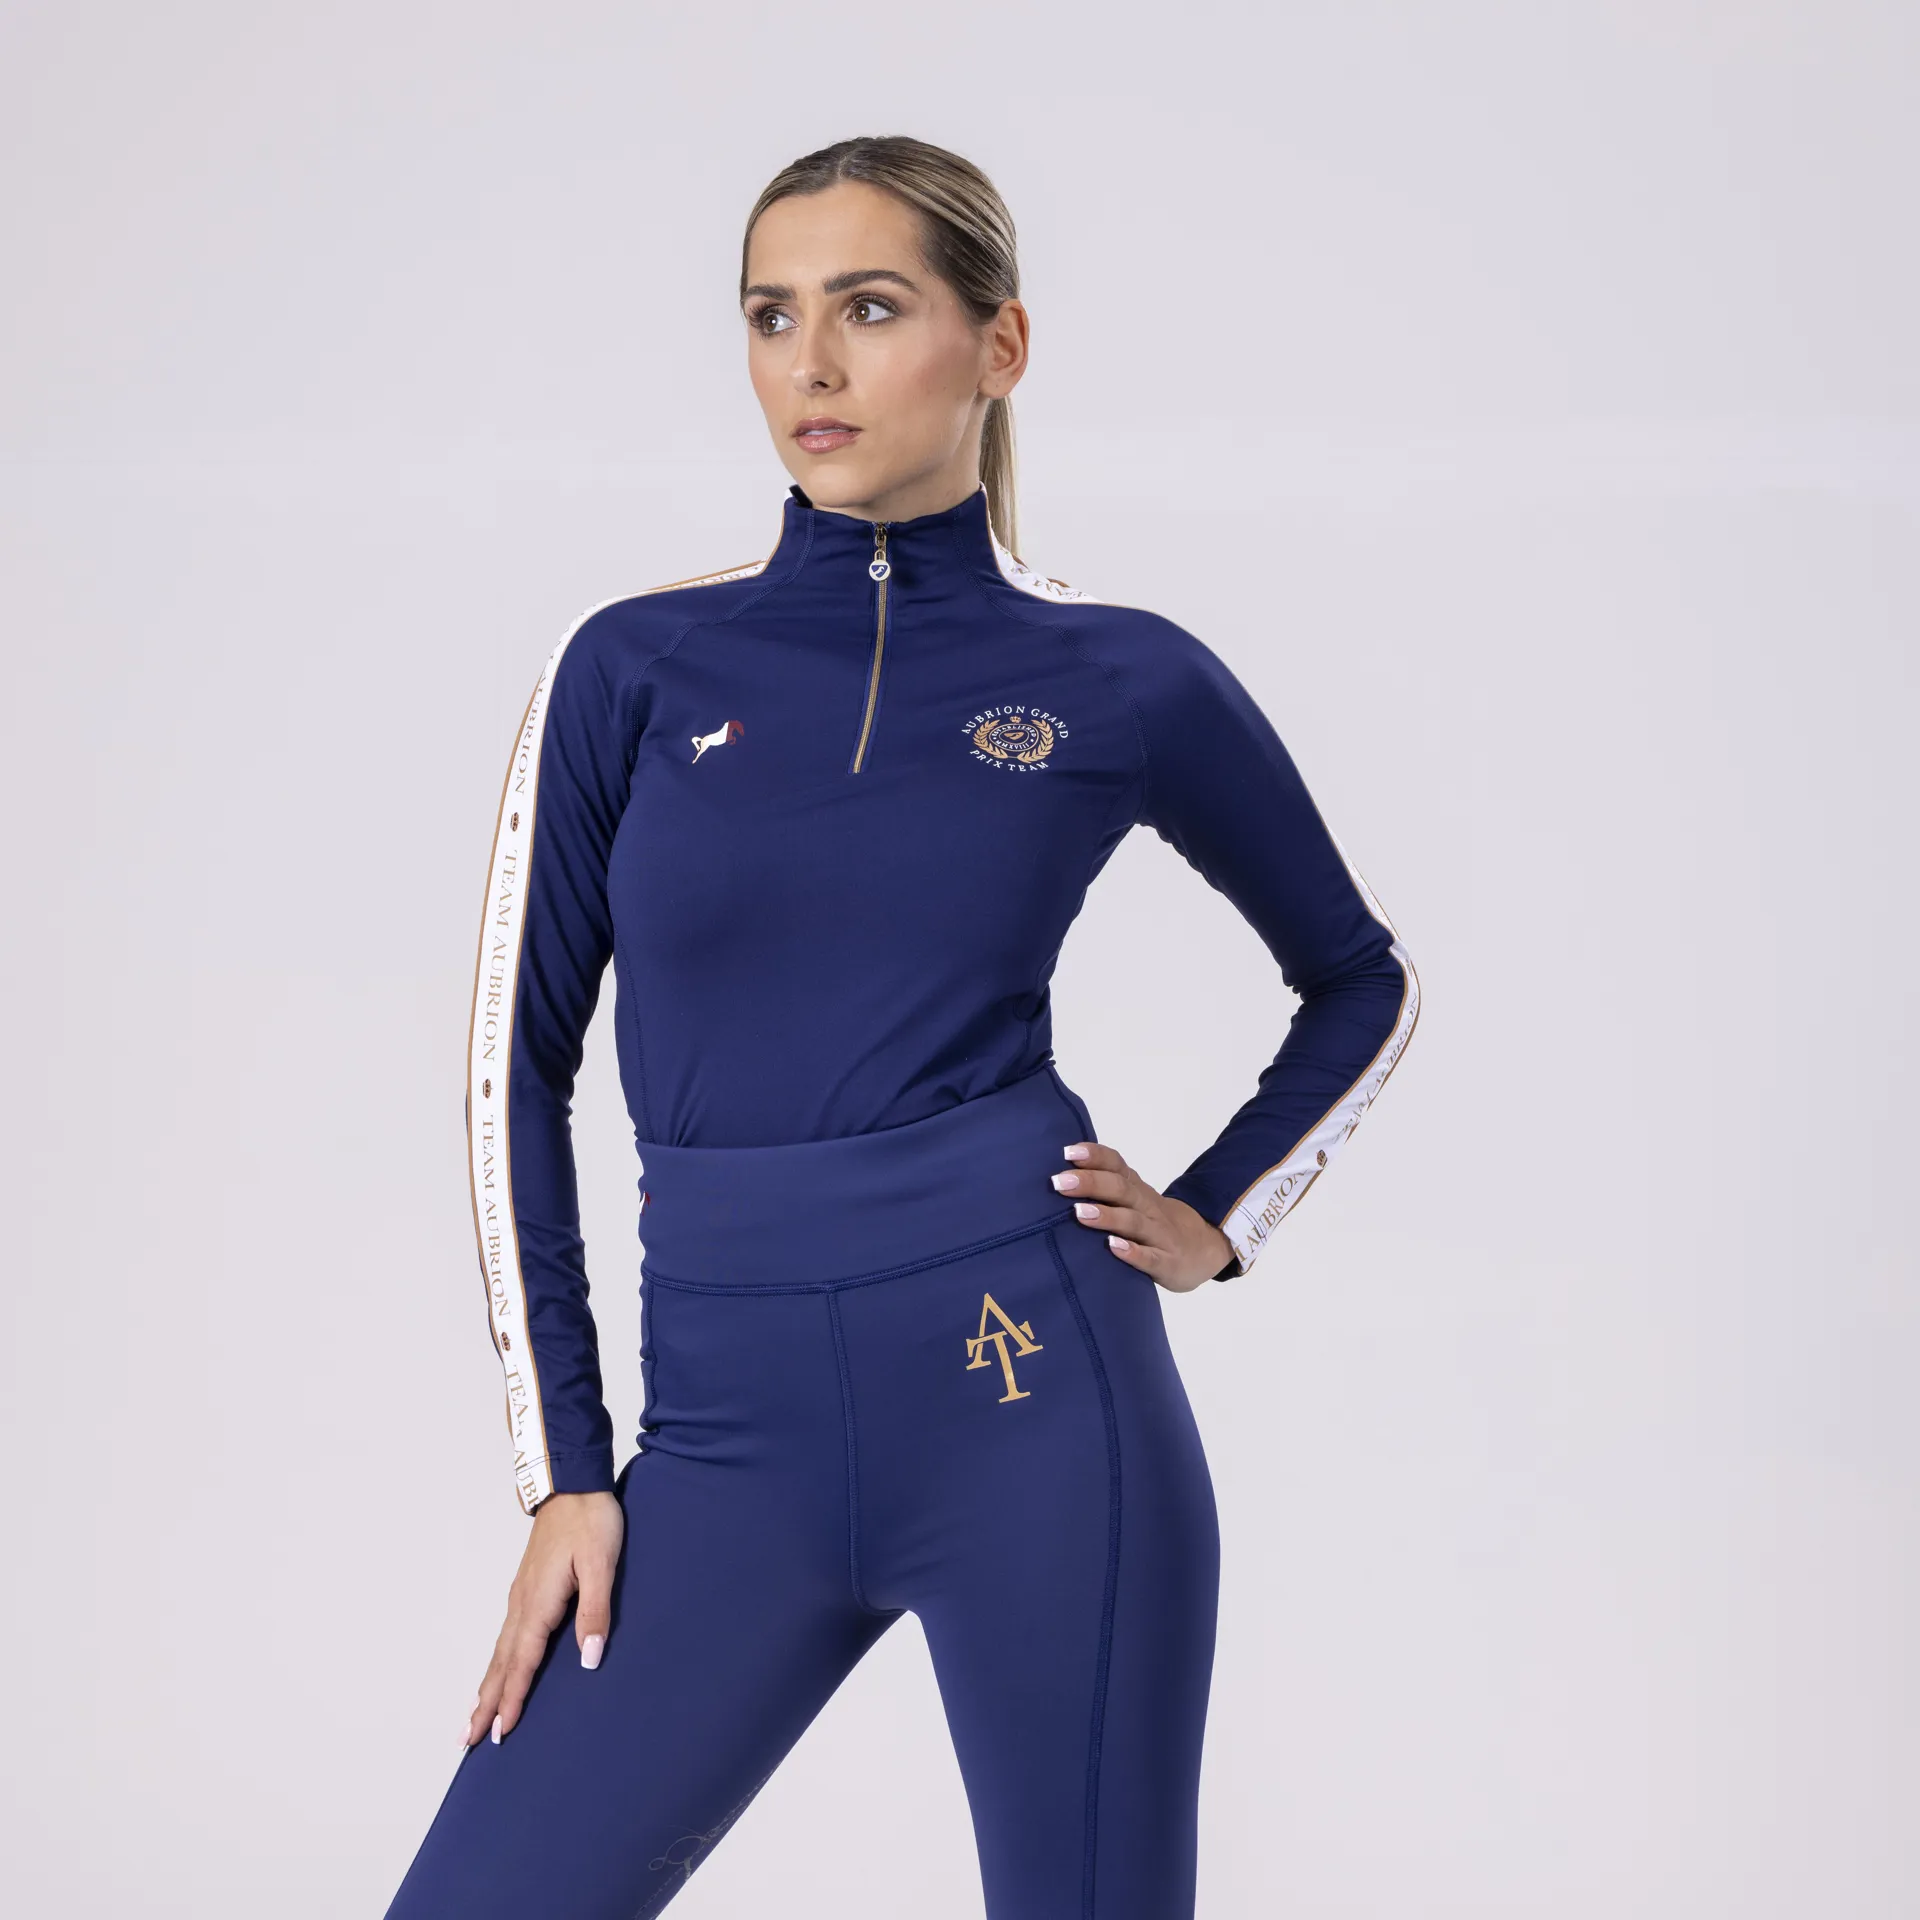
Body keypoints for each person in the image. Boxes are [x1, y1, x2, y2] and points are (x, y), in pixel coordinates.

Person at [384, 133, 1419, 1920]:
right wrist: (565, 1474)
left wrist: (1217, 1216)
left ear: (997, 345)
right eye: (771, 315)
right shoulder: (634, 666)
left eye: (870, 308)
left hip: (1037, 1408)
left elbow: (1360, 979)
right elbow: (513, 1072)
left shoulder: (1119, 676)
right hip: (725, 1438)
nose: (813, 362)